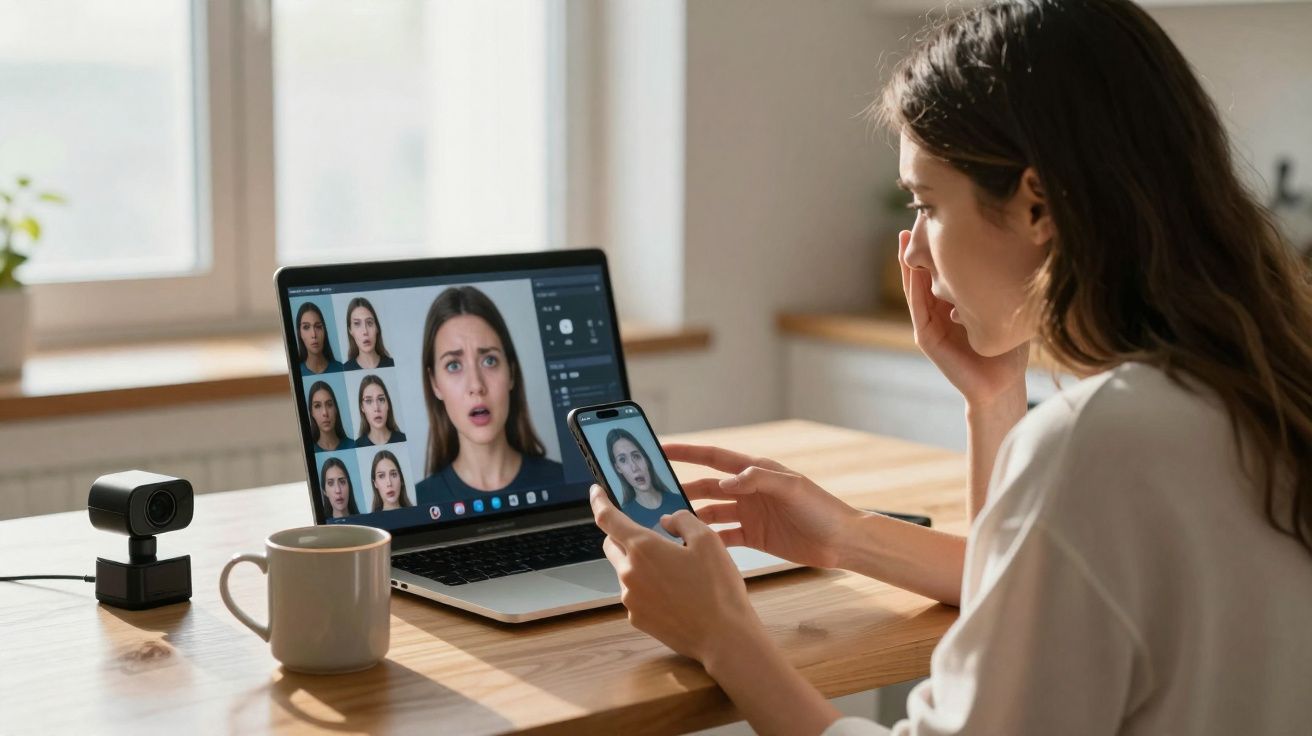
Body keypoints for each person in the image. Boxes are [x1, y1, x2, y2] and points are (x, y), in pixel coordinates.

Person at [587, 1, 1312, 734]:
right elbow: (1062, 602)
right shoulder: (1258, 388)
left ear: (1038, 207)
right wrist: (975, 419)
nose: (918, 252)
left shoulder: (1096, 445)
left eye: (928, 204)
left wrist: (722, 635)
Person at [415, 285, 563, 505]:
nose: (476, 385)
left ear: (511, 373)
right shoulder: (418, 500)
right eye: (454, 365)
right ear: (435, 383)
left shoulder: (562, 480)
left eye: (489, 361)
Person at [606, 428, 685, 531]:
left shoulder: (680, 501)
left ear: (646, 459)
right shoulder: (624, 518)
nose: (634, 467)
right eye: (623, 460)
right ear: (618, 468)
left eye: (636, 456)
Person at [342, 297, 395, 371]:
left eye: (369, 323)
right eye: (357, 324)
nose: (365, 331)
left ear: (377, 328)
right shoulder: (345, 369)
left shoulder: (392, 364)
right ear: (350, 331)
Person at [355, 374, 407, 447]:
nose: (376, 408)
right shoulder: (357, 445)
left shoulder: (404, 439)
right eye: (369, 401)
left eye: (381, 399)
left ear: (388, 404)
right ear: (362, 408)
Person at [296, 302, 343, 375]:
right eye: (306, 327)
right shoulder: (297, 373)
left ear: (324, 331)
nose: (314, 335)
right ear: (300, 333)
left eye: (318, 327)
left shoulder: (341, 369)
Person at [307, 381, 353, 453]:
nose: (325, 413)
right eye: (317, 406)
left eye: (329, 404)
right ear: (312, 413)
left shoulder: (353, 445)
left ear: (335, 409)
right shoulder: (310, 452)